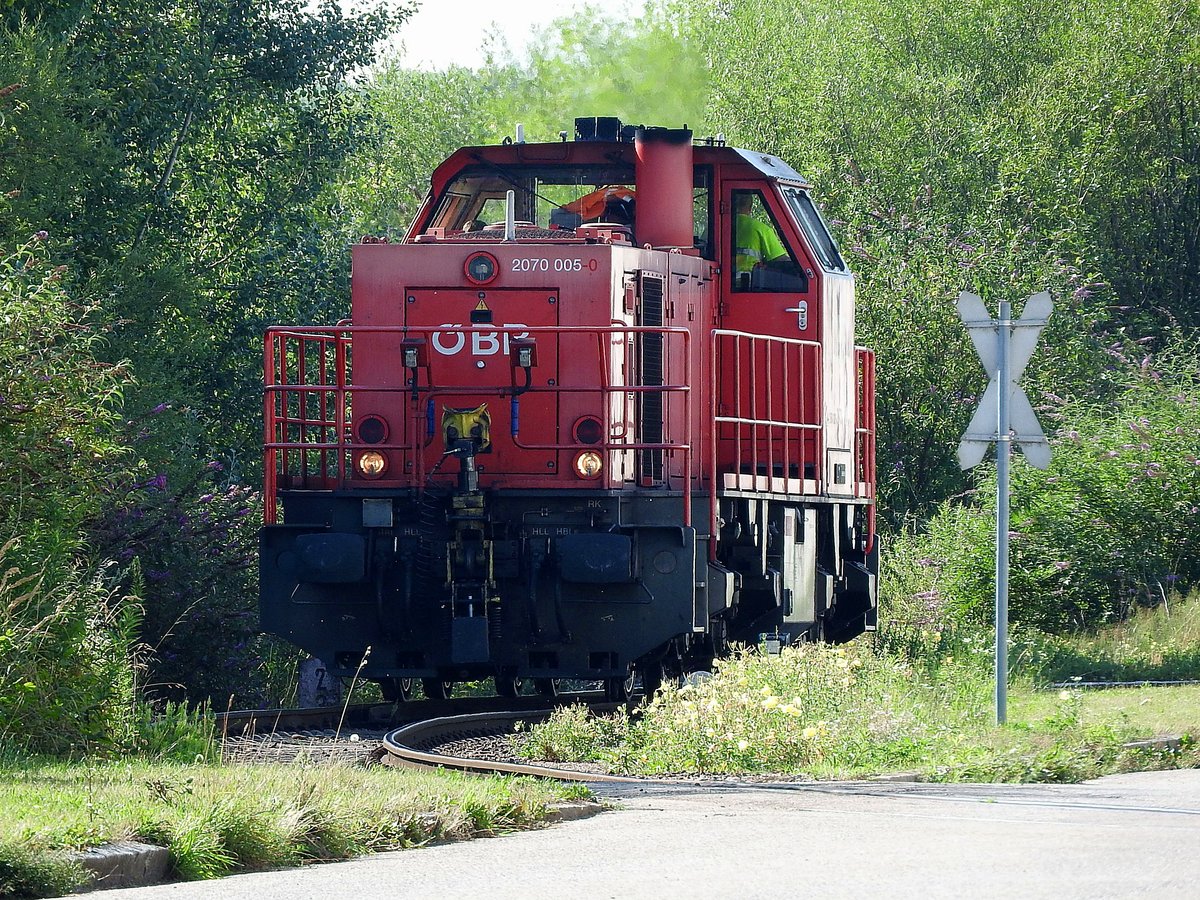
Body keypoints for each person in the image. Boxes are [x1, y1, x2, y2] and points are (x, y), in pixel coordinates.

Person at [732, 192, 806, 291]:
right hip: (748, 286)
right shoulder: (760, 228)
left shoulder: (715, 227)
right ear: (750, 208)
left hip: (722, 284)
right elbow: (779, 259)